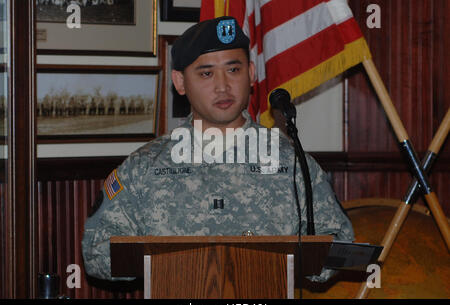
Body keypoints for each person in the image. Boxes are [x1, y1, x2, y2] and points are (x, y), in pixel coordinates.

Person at [82, 16, 354, 282]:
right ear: (179, 82)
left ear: (251, 73)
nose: (223, 86)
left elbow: (339, 243)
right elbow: (97, 251)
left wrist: (277, 261)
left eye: (233, 70)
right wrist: (175, 262)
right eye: (207, 73)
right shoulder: (145, 167)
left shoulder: (293, 163)